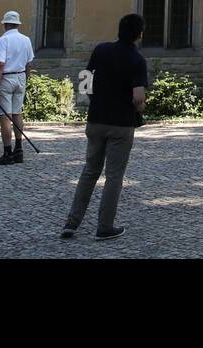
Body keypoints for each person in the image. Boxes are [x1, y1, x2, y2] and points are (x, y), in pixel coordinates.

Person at [61, 13, 148, 241]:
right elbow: (138, 97)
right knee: (114, 176)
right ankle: (105, 226)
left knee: (90, 171)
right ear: (139, 35)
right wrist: (139, 109)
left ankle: (72, 223)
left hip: (96, 120)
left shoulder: (101, 50)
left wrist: (95, 100)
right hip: (121, 124)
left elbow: (85, 81)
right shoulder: (137, 60)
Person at [0, 10, 35, 165]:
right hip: (21, 76)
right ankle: (19, 149)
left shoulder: (3, 40)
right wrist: (26, 79)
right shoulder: (26, 40)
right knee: (17, 113)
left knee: (5, 116)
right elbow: (29, 63)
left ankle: (7, 152)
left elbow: (0, 64)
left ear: (6, 24)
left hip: (7, 78)